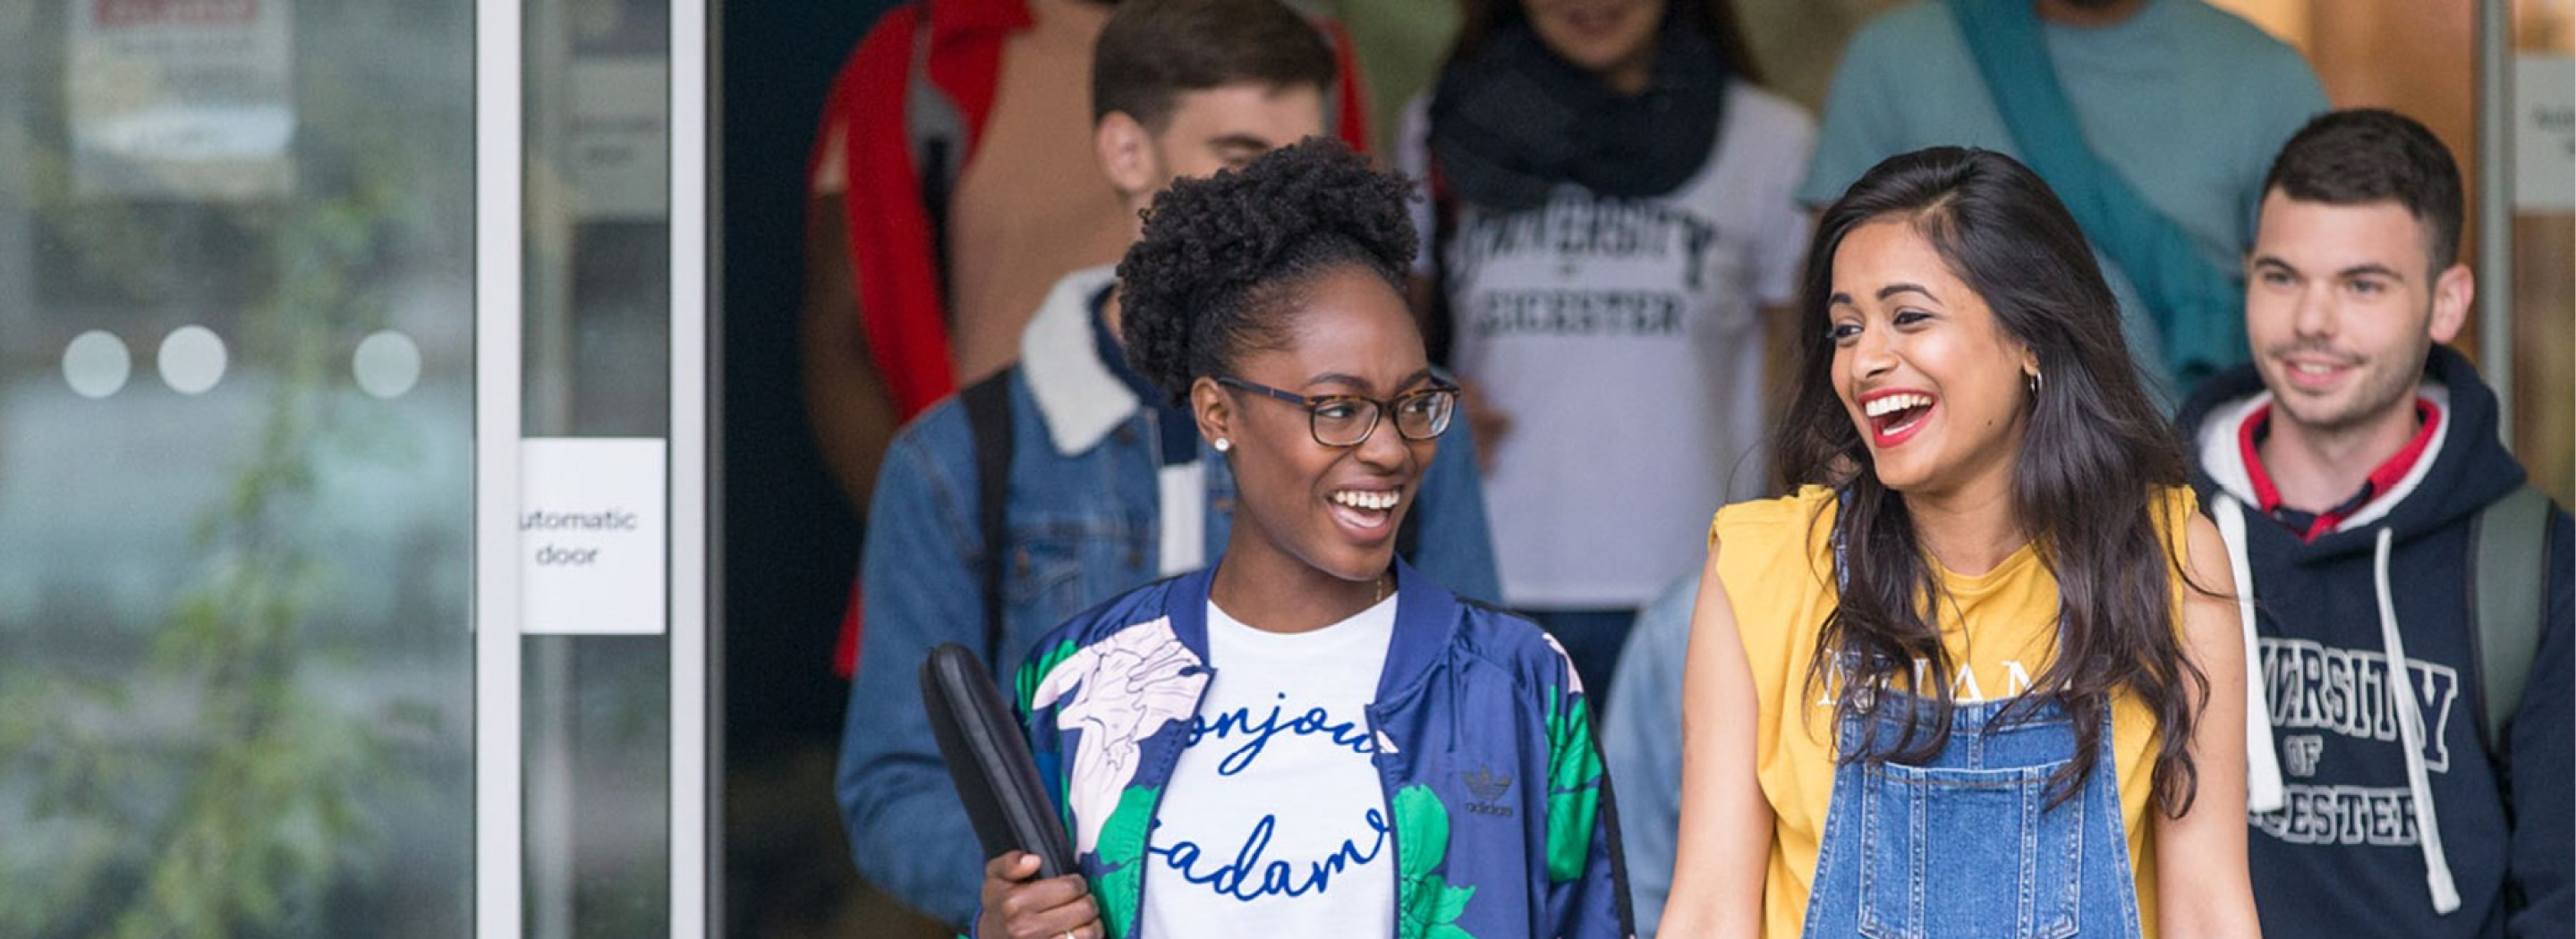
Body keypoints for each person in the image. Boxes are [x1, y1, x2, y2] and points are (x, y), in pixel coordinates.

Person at [834, 1, 1502, 928]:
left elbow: (1485, 729)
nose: (1278, 205)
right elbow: (893, 782)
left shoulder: (1411, 422)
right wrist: (1021, 894)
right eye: (1237, 157)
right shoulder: (957, 458)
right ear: (1124, 151)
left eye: (1302, 163)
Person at [973, 140, 1627, 939]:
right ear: (1217, 414)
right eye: (1338, 408)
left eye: (1414, 403)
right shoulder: (1080, 685)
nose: (1391, 449)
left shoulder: (1518, 683)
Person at [1659, 147, 2257, 938]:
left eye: (1909, 316)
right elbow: (1708, 909)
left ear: (2030, 338)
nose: (1866, 360)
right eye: (1845, 328)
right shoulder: (1761, 564)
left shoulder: (2163, 554)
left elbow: (2210, 907)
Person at [802, 0, 1372, 677]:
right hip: (1021, 516)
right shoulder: (933, 52)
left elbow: (1361, 276)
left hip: (1281, 482)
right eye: (1239, 154)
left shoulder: (1301, 55)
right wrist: (945, 544)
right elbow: (843, 335)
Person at [2177, 108, 2576, 938]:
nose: (2312, 321)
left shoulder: (2529, 564)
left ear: (2445, 303)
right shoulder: (2154, 525)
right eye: (2280, 277)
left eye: (2361, 285)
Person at [1396, 0, 1815, 698]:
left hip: (1692, 576)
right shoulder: (1441, 125)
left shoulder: (1769, 137)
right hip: (1484, 569)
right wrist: (1420, 397)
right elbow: (1387, 333)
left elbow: (1802, 368)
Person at [1800, 0, 2327, 398]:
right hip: (1937, 505)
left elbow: (2324, 300)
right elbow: (1831, 311)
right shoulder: (1895, 59)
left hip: (2186, 473)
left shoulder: (2264, 77)